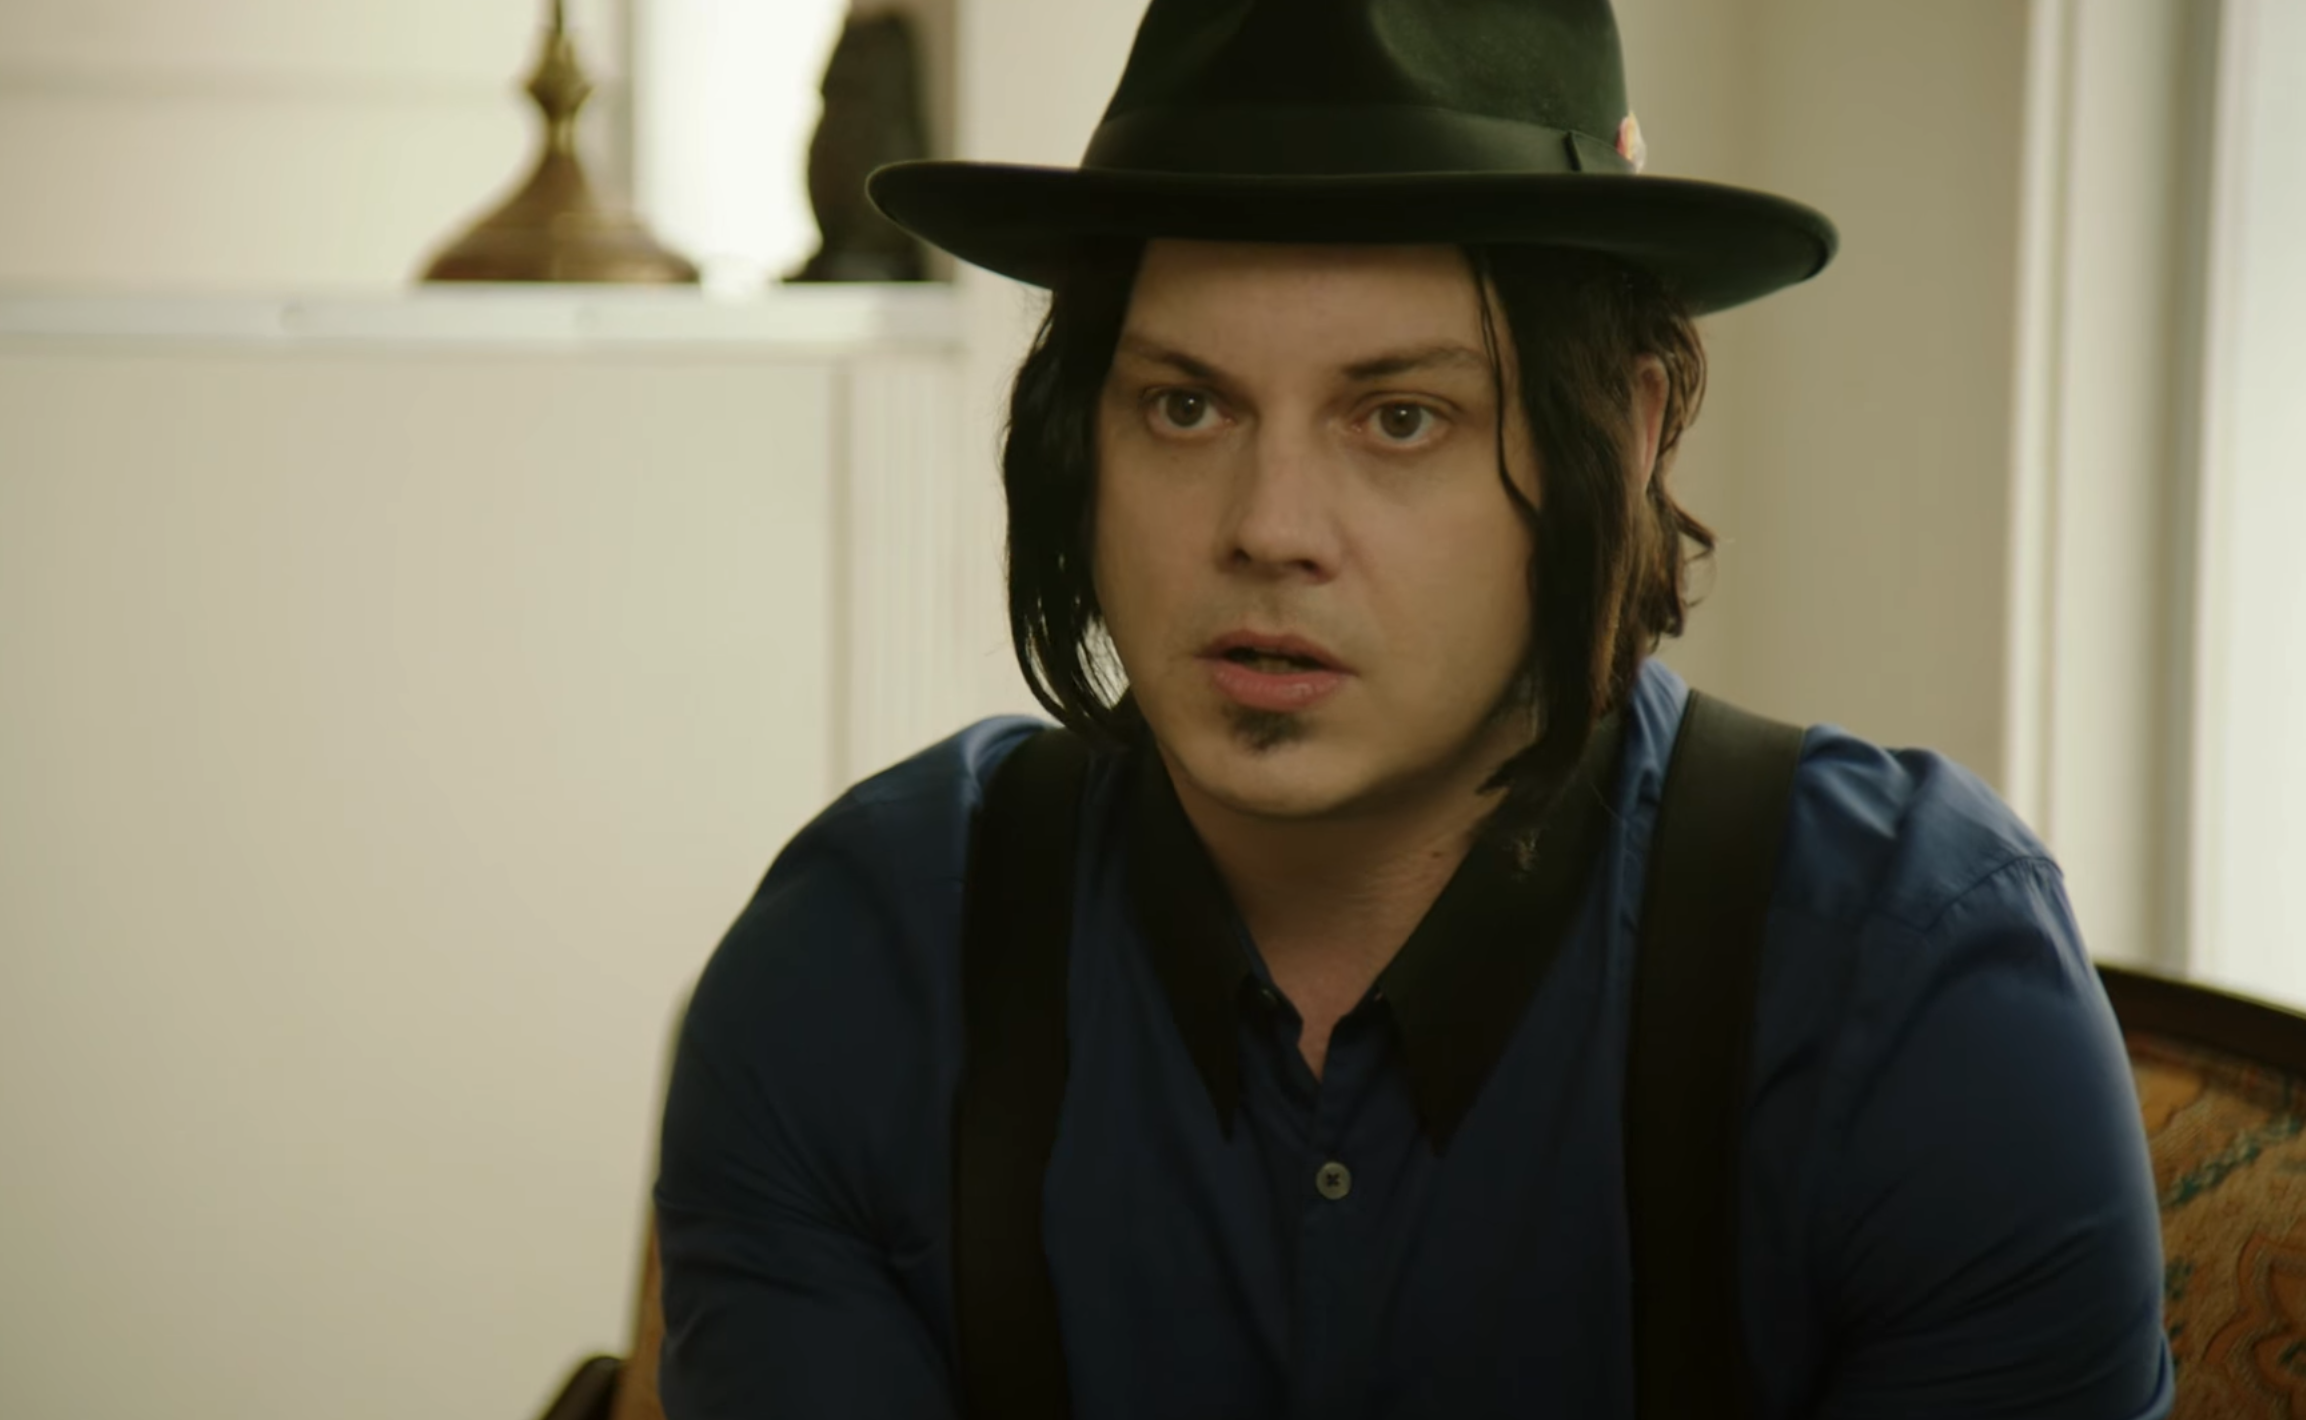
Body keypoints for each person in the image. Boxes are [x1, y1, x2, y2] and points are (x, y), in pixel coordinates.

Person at [652, 1, 2174, 1415]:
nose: (1269, 527)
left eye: (1399, 417)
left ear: (1625, 428)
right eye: (1185, 404)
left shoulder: (1911, 992)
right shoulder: (863, 968)